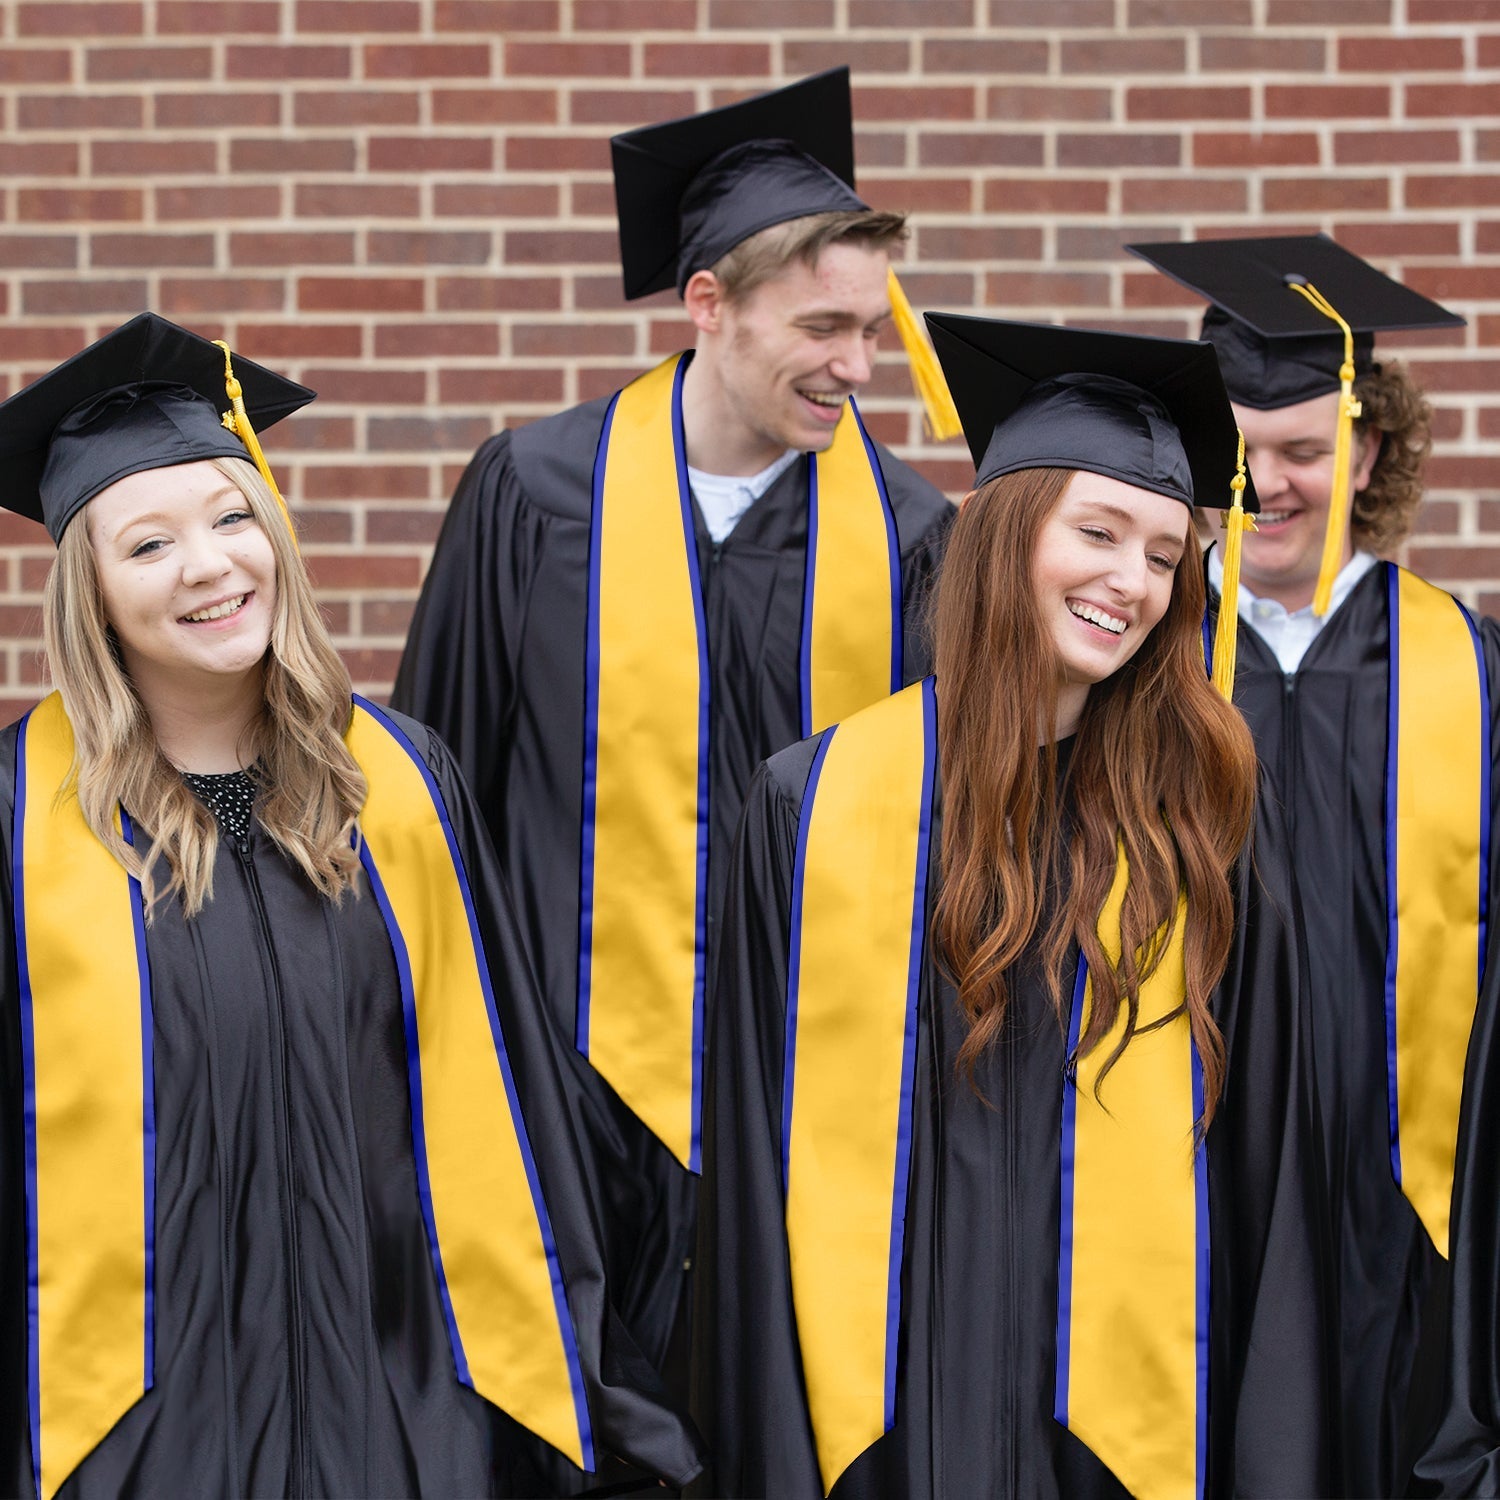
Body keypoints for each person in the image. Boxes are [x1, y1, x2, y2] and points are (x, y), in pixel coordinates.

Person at [0, 313, 702, 1500]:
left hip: (405, 1404)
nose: (213, 565)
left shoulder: (405, 784)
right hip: (141, 1433)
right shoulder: (22, 822)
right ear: (94, 598)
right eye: (150, 544)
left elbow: (515, 1102)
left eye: (234, 518)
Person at [693, 314, 1335, 1498]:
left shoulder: (1206, 828)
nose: (1130, 581)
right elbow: (749, 1180)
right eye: (1096, 532)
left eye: (1162, 553)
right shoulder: (812, 802)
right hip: (884, 1442)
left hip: (1122, 1451)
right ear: (1002, 535)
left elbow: (1272, 1190)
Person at [391, 67, 954, 1386]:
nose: (857, 368)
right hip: (555, 1087)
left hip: (805, 1098)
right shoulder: (533, 493)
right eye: (824, 327)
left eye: (872, 330)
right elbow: (437, 785)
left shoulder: (915, 542)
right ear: (710, 303)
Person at [1131, 234, 1500, 1498]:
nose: (1268, 484)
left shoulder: (1468, 667)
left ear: (1372, 451)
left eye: (1305, 449)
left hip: (1408, 1177)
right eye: (1240, 451)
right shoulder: (1145, 663)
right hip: (1183, 1161)